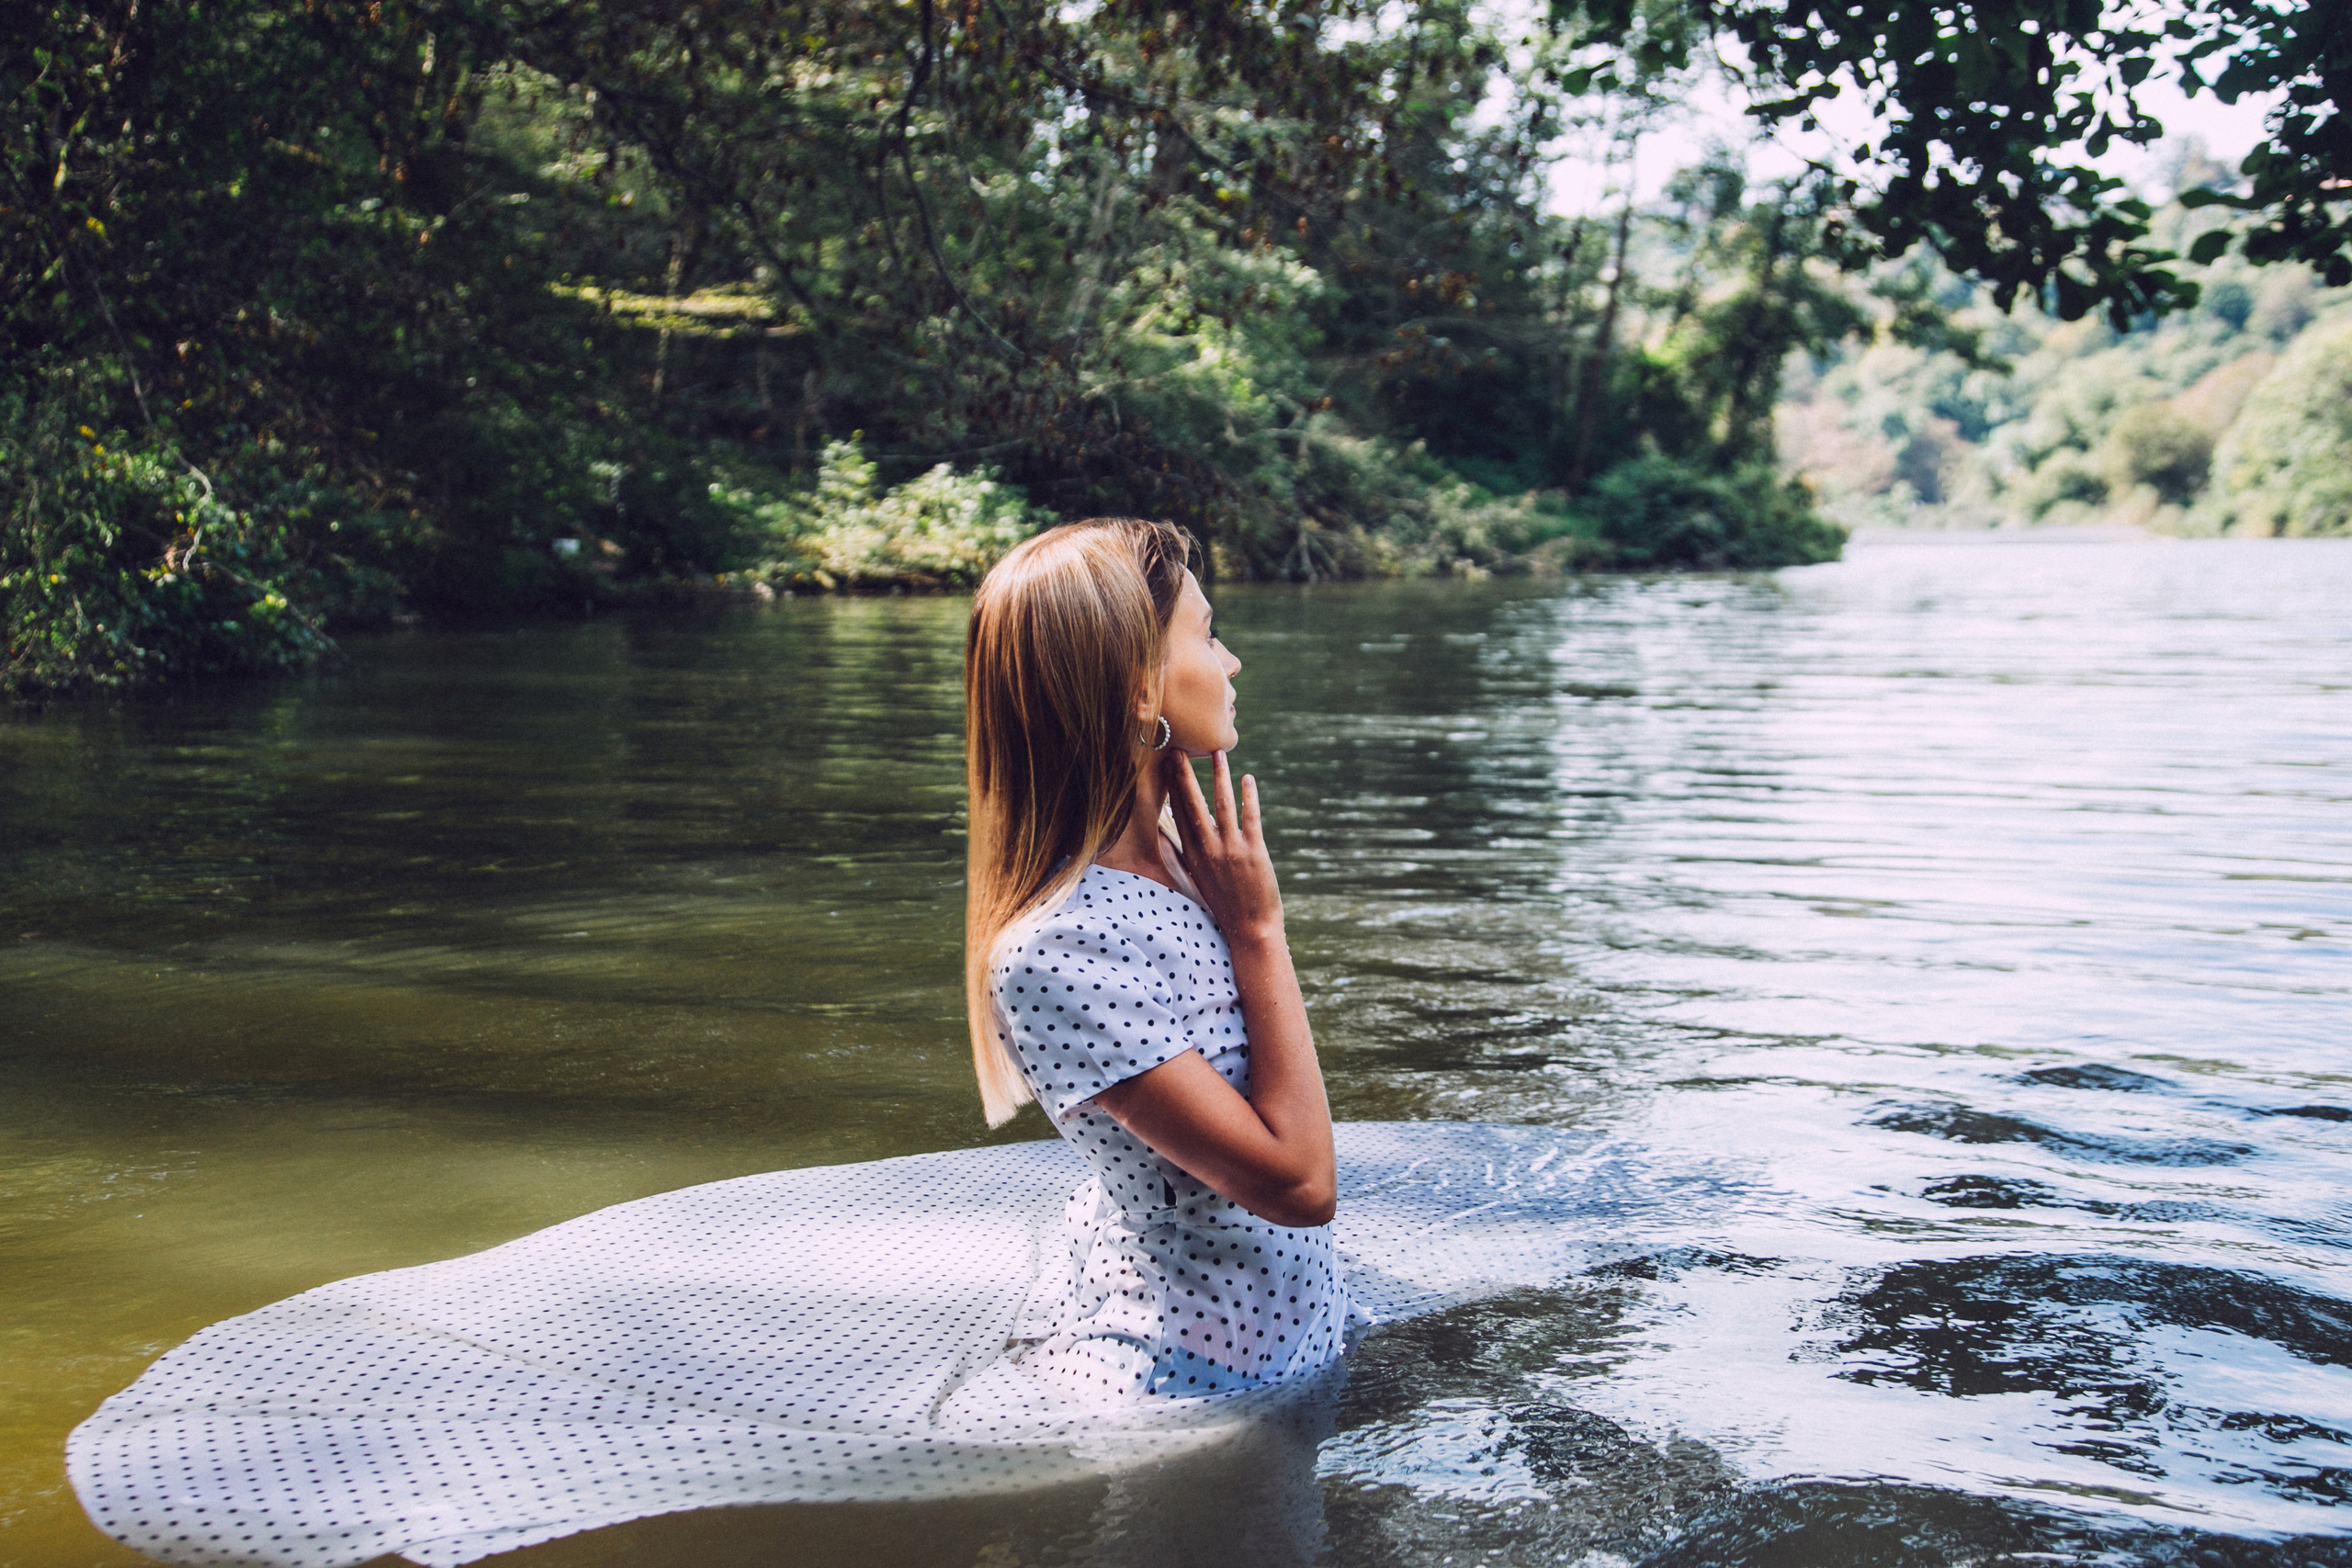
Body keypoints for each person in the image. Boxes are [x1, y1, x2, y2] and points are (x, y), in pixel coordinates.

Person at [958, 517, 1361, 1404]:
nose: (1232, 663)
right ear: (1140, 689)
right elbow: (1299, 1185)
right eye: (1209, 634)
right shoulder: (1055, 951)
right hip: (1195, 1388)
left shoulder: (1193, 854)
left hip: (1300, 1324)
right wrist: (1260, 932)